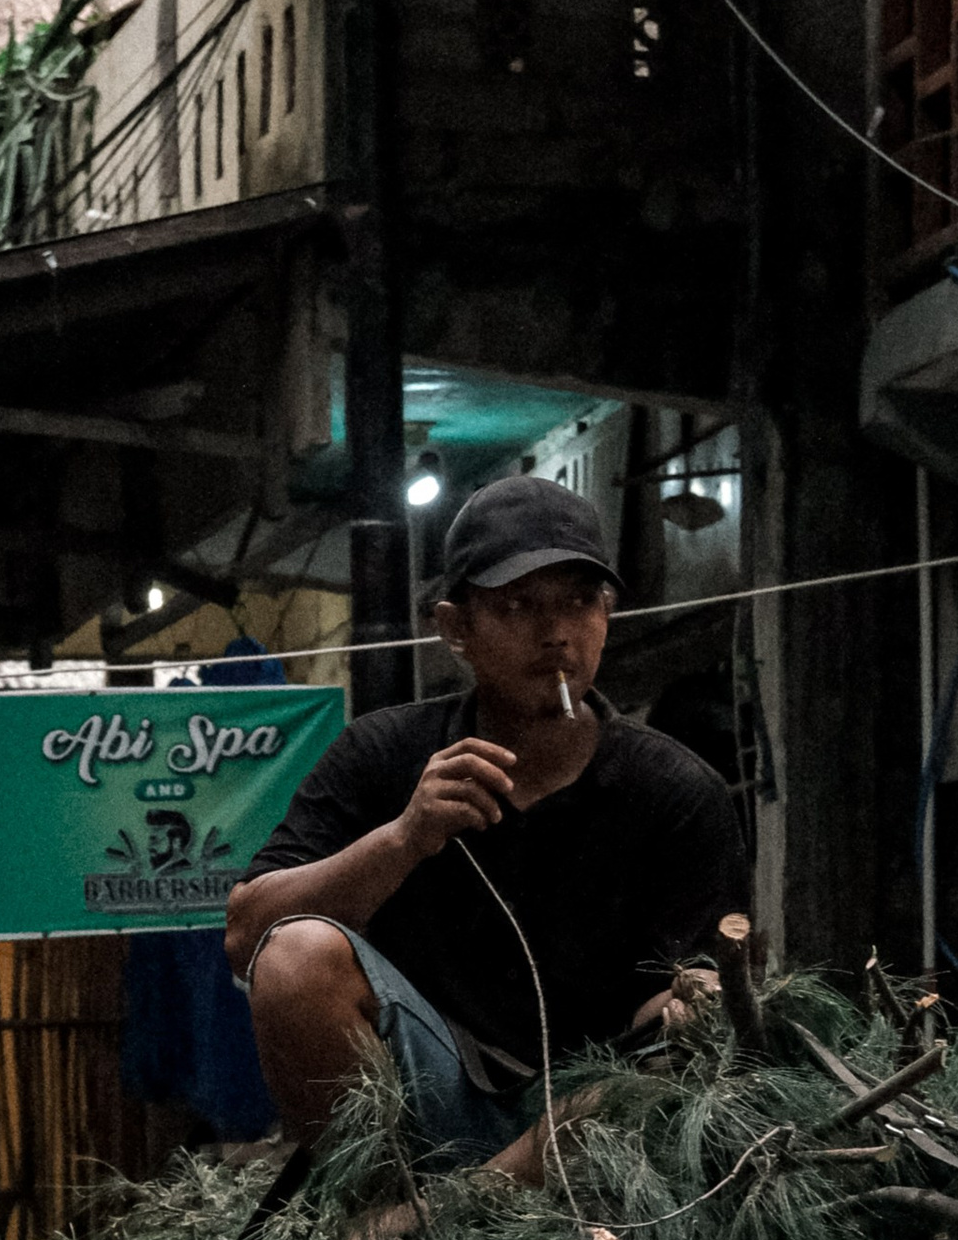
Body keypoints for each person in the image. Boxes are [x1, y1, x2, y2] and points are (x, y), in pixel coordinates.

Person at [225, 478, 750, 1158]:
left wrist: (687, 1010)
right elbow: (247, 936)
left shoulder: (675, 791)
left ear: (608, 614)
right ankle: (362, 1204)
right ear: (455, 629)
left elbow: (694, 991)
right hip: (424, 1099)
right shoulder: (386, 754)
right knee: (297, 957)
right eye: (518, 606)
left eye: (580, 602)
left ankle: (436, 1217)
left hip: (589, 1127)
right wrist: (404, 839)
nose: (556, 633)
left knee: (664, 1056)